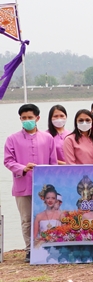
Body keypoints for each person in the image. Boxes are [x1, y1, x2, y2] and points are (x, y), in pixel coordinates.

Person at [4, 103, 58, 258]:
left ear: (37, 118)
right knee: (27, 219)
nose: (27, 120)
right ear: (20, 119)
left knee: (47, 217)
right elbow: (8, 161)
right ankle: (29, 250)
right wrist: (22, 168)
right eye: (24, 118)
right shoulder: (12, 139)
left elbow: (53, 162)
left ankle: (47, 246)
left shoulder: (47, 138)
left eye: (30, 117)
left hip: (44, 187)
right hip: (22, 185)